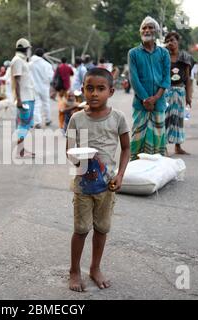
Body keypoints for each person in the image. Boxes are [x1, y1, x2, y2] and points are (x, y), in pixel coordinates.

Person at [66, 67, 130, 292]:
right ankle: (74, 270)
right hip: (83, 186)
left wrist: (120, 175)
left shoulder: (118, 118)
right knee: (81, 229)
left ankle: (95, 267)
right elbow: (70, 150)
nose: (94, 93)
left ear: (111, 91)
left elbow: (126, 148)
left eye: (100, 89)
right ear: (82, 90)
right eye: (89, 88)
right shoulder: (76, 119)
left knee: (102, 229)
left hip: (107, 185)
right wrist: (81, 161)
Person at [128, 16, 171, 160]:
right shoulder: (133, 53)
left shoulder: (164, 53)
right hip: (141, 103)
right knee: (138, 135)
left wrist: (155, 98)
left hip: (158, 102)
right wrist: (146, 99)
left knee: (158, 134)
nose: (147, 30)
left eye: (151, 27)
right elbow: (134, 79)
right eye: (144, 28)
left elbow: (166, 78)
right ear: (141, 31)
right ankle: (134, 165)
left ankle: (156, 167)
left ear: (156, 31)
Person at [163, 32, 193, 156]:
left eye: (173, 40)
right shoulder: (164, 56)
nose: (171, 43)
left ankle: (178, 146)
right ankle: (162, 147)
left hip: (180, 90)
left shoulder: (184, 56)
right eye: (168, 41)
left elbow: (188, 78)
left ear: (177, 41)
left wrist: (188, 96)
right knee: (165, 118)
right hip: (166, 91)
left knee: (178, 119)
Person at [11, 38, 36, 158]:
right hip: (24, 98)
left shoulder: (23, 61)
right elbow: (17, 81)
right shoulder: (17, 61)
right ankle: (20, 150)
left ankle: (22, 149)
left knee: (26, 124)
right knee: (23, 125)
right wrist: (19, 99)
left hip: (29, 96)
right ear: (25, 49)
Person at [29, 48, 54, 128]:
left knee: (36, 104)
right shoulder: (47, 64)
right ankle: (48, 120)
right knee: (46, 103)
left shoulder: (30, 64)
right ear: (43, 55)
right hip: (44, 87)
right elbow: (51, 77)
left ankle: (37, 122)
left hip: (34, 87)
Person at [55, 57, 74, 129]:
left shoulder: (59, 67)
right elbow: (72, 73)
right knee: (66, 101)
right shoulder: (68, 67)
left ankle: (61, 112)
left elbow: (55, 76)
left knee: (60, 100)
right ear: (66, 61)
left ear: (61, 60)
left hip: (60, 86)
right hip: (66, 86)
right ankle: (65, 111)